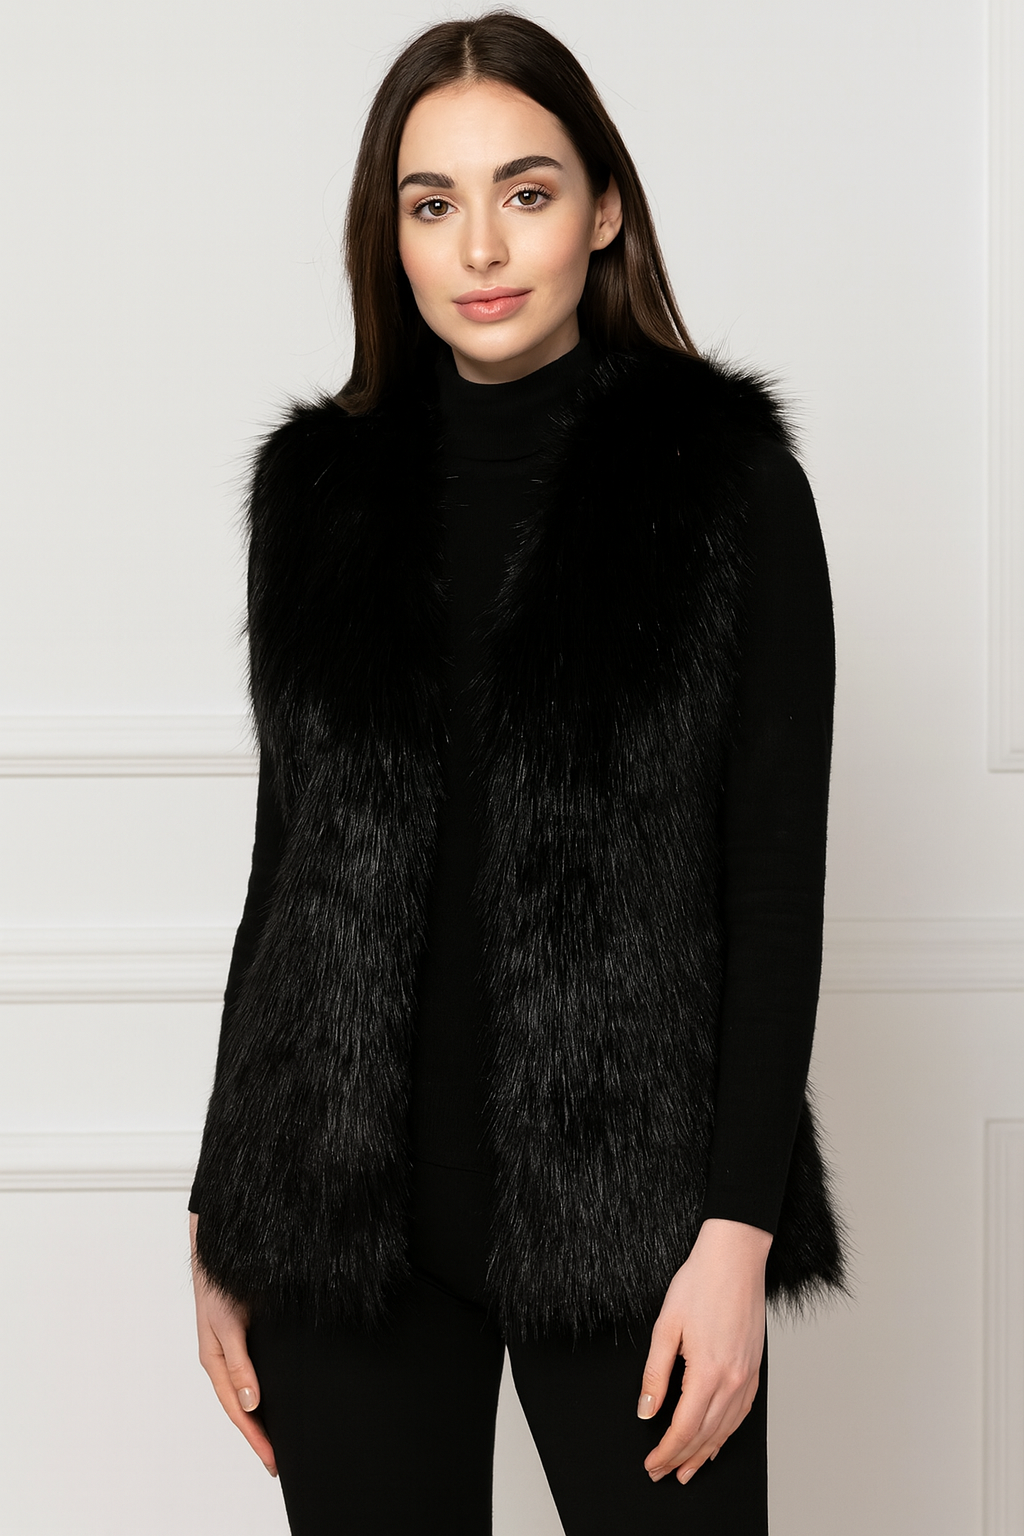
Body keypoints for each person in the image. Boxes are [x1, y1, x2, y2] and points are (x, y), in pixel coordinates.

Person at [187, 11, 849, 1533]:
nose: (480, 247)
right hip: (342, 1216)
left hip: (640, 1213)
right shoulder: (316, 496)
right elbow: (287, 867)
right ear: (392, 235)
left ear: (603, 210)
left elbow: (774, 878)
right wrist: (228, 1205)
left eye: (527, 192)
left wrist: (736, 1235)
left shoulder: (726, 483)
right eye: (433, 203)